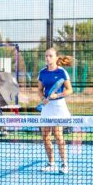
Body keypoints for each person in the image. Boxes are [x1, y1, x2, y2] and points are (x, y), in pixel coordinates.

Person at [37, 47, 74, 175]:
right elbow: (39, 89)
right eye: (46, 56)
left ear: (56, 58)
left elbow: (69, 90)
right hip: (47, 107)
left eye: (50, 56)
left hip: (58, 106)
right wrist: (43, 98)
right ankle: (51, 163)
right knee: (45, 136)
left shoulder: (62, 72)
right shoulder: (42, 72)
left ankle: (64, 164)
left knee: (58, 135)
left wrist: (57, 95)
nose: (47, 58)